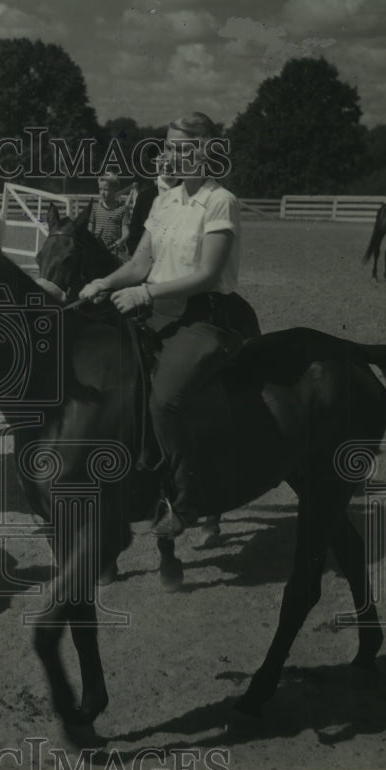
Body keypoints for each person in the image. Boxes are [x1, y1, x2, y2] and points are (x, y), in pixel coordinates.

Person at [78, 112, 243, 540]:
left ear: (207, 151)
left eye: (180, 149)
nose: (170, 156)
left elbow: (208, 274)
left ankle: (188, 502)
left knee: (165, 399)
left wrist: (146, 294)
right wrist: (103, 281)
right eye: (168, 147)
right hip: (155, 312)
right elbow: (140, 263)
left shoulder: (219, 201)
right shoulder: (164, 200)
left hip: (202, 317)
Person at [89, 173, 130, 257]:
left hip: (115, 249)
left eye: (106, 189)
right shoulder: (95, 208)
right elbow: (90, 231)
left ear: (115, 190)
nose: (102, 193)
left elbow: (126, 231)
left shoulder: (123, 209)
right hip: (97, 249)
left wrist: (120, 242)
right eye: (100, 189)